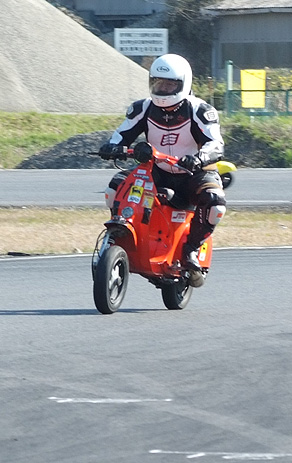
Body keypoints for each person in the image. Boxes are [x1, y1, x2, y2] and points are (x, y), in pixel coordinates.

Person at [98, 53, 226, 287]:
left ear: (184, 83)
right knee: (115, 188)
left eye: (169, 84)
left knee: (215, 203)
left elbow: (216, 144)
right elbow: (122, 134)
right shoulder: (143, 108)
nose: (163, 88)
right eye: (158, 82)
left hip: (193, 173)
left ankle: (191, 248)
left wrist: (199, 158)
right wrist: (112, 147)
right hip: (156, 170)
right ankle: (120, 235)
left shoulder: (200, 110)